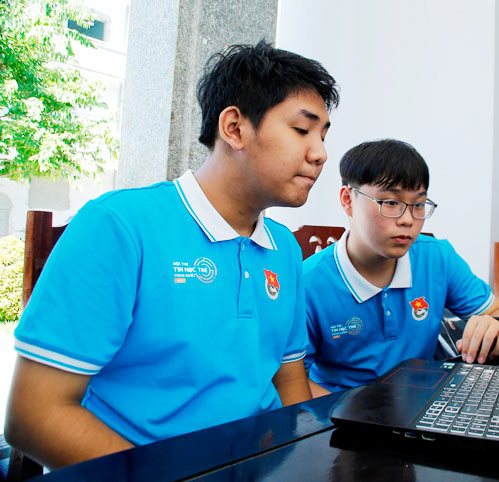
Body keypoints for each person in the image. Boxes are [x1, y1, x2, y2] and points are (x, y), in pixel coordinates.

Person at [5, 41, 339, 469]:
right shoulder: (120, 226)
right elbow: (34, 415)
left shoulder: (284, 249)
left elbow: (289, 385)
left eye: (324, 136)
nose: (320, 154)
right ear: (234, 127)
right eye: (302, 130)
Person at [303, 139, 499, 396]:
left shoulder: (437, 257)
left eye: (418, 205)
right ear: (348, 200)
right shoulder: (309, 282)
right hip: (342, 419)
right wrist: (349, 414)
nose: (407, 220)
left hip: (422, 409)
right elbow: (291, 380)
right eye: (391, 203)